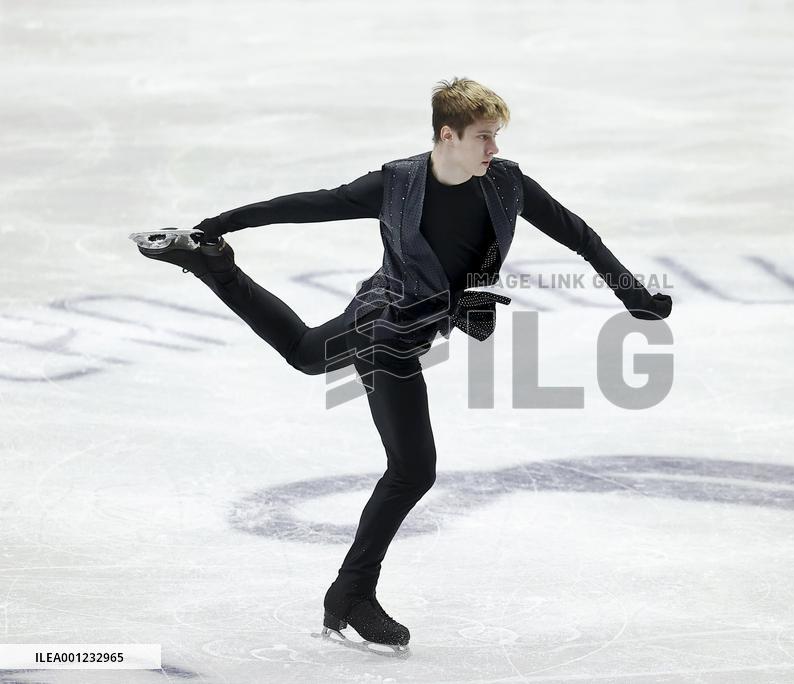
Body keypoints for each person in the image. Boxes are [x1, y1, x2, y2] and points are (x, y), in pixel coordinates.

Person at [132, 77, 671, 656]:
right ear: (449, 135)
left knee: (307, 353)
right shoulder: (396, 185)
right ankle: (351, 593)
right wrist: (217, 223)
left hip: (406, 325)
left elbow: (579, 235)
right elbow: (307, 204)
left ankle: (214, 268)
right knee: (413, 468)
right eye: (484, 138)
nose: (494, 149)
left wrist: (633, 295)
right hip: (384, 327)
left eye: (496, 138)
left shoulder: (509, 184)